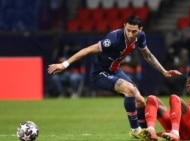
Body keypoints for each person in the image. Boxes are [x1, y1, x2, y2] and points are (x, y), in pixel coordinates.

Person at [47, 15, 181, 139]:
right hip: (99, 73)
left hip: (115, 70)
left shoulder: (141, 37)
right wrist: (64, 64)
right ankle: (135, 130)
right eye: (128, 30)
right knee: (129, 89)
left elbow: (148, 55)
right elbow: (87, 50)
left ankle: (145, 133)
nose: (130, 34)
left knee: (140, 100)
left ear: (140, 30)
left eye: (134, 31)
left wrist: (164, 71)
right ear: (124, 26)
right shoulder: (113, 40)